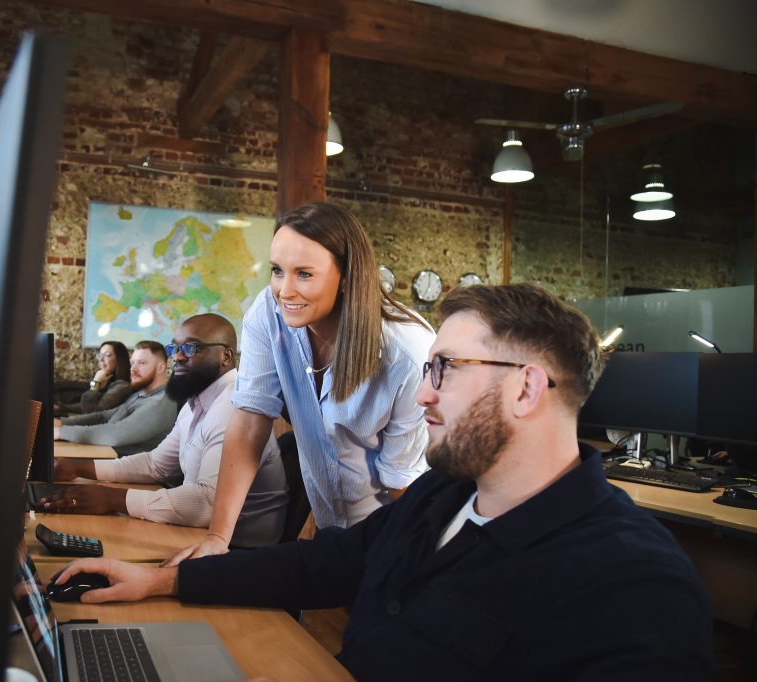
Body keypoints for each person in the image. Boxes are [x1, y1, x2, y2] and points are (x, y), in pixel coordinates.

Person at [53, 283, 711, 681]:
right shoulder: (442, 496)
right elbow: (320, 566)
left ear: (528, 387)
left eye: (444, 370)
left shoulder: (634, 587)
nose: (423, 398)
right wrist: (163, 579)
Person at [170, 202, 435, 563]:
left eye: (304, 274)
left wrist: (400, 569)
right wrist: (218, 537)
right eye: (278, 271)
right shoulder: (267, 314)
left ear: (347, 276)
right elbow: (249, 422)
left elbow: (402, 481)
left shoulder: (406, 351)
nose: (285, 290)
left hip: (391, 528)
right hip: (330, 526)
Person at [41, 314, 289, 547]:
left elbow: (208, 502)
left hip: (238, 549)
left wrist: (112, 499)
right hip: (201, 532)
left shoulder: (232, 406)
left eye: (191, 348)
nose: (178, 357)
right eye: (174, 348)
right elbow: (155, 464)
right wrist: (78, 467)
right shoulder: (196, 403)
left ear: (226, 356)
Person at [53, 341, 177, 455]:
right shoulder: (142, 394)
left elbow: (115, 433)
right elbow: (104, 416)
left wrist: (62, 432)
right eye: (132, 363)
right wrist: (62, 422)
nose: (133, 369)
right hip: (109, 456)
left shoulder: (159, 403)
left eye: (141, 363)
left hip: (127, 472)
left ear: (161, 367)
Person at [78, 340, 132, 414]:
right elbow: (85, 405)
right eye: (100, 355)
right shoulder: (107, 379)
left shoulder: (122, 386)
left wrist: (95, 383)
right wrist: (62, 407)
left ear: (119, 359)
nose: (101, 359)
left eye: (107, 355)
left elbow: (93, 412)